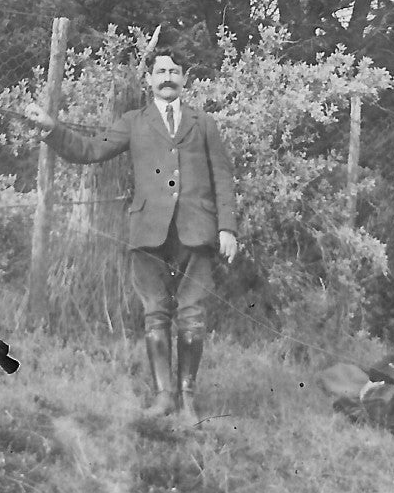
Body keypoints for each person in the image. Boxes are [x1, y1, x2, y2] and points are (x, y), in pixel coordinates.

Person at [25, 46, 238, 426]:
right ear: (150, 80)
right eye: (161, 72)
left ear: (185, 79)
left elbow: (222, 177)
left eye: (175, 71)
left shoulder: (203, 123)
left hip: (196, 230)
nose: (168, 77)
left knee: (192, 316)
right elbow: (91, 149)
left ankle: (188, 399)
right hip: (148, 232)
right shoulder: (134, 122)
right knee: (155, 313)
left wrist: (227, 228)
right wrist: (52, 129)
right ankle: (164, 398)